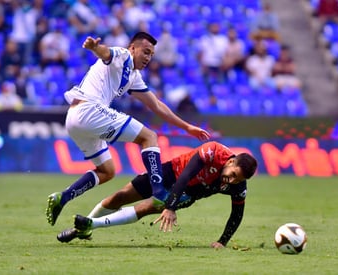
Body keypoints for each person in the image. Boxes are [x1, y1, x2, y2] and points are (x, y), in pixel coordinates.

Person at [45, 32, 211, 226]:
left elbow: (156, 105)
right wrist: (94, 48)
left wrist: (187, 127)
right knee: (149, 137)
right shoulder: (122, 55)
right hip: (89, 109)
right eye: (146, 52)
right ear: (133, 48)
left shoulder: (133, 76)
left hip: (74, 119)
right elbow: (106, 53)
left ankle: (63, 197)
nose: (148, 58)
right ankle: (159, 193)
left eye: (151, 55)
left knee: (107, 171)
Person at [56, 141, 258, 248]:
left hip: (188, 193)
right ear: (230, 162)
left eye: (237, 180)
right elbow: (186, 175)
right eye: (232, 176)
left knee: (148, 206)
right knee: (118, 198)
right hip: (172, 172)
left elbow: (237, 214)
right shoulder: (212, 151)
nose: (231, 182)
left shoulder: (238, 185)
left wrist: (222, 242)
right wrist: (170, 206)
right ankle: (85, 228)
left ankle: (90, 225)